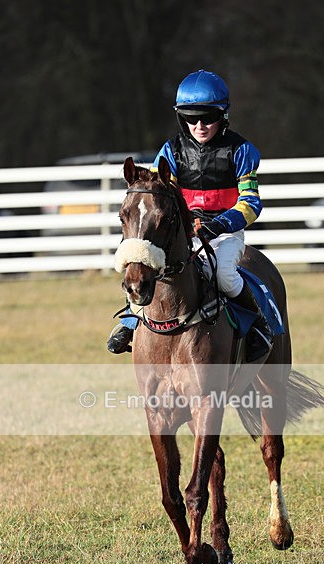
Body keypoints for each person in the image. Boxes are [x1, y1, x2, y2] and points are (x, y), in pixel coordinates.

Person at [107, 69, 272, 360]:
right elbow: (156, 194)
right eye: (191, 118)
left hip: (225, 234)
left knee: (223, 274)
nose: (199, 125)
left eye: (208, 117)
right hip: (183, 233)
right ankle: (131, 321)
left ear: (223, 115)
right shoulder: (170, 151)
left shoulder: (241, 151)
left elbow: (250, 203)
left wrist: (219, 224)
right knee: (147, 264)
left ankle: (258, 324)